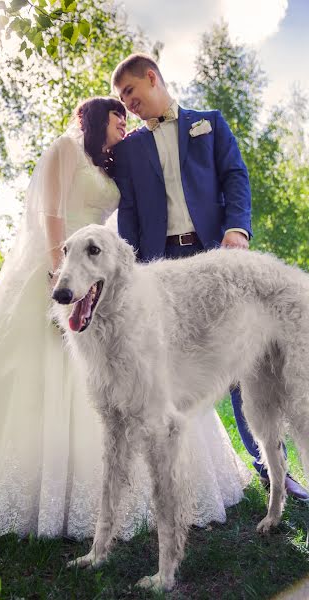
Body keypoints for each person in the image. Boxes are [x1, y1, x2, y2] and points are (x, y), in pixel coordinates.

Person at [0, 96, 250, 542]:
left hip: (93, 272)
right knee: (38, 372)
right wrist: (62, 280)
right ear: (95, 118)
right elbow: (50, 215)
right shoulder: (63, 149)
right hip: (57, 266)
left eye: (127, 117)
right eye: (117, 116)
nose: (124, 123)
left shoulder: (107, 163)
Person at [111, 53, 309, 500]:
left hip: (220, 259)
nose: (128, 104)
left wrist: (237, 230)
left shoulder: (210, 123)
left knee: (246, 361)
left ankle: (272, 473)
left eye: (130, 92)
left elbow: (235, 177)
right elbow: (130, 216)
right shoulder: (128, 151)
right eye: (121, 98)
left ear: (152, 77)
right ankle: (178, 483)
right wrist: (134, 278)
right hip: (163, 274)